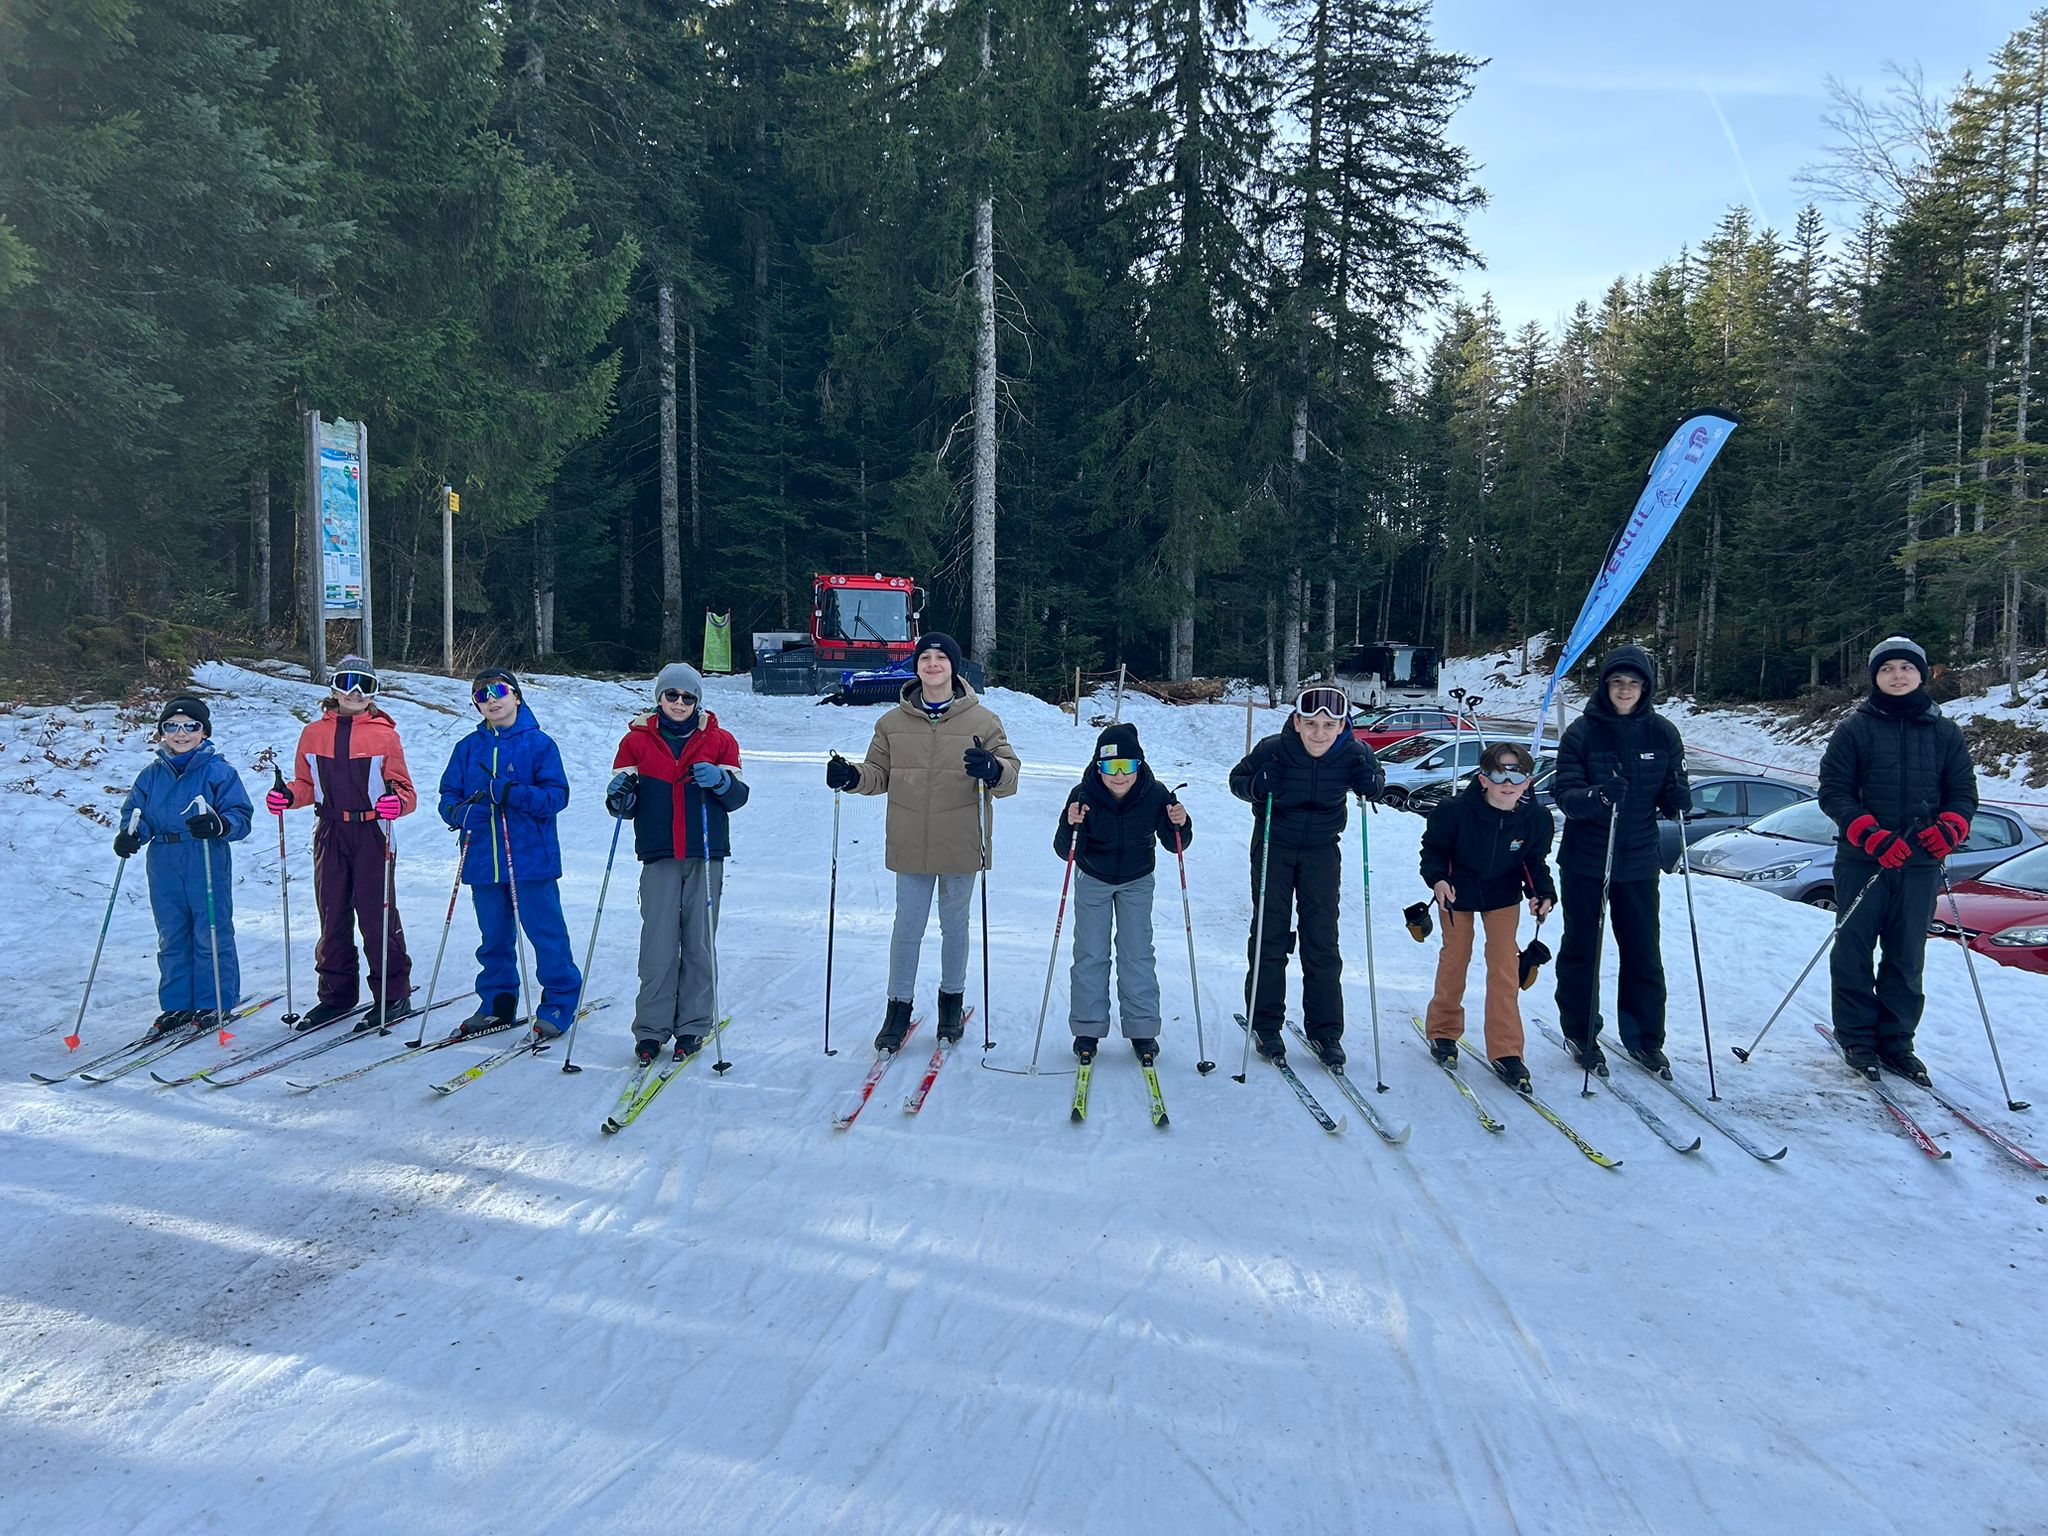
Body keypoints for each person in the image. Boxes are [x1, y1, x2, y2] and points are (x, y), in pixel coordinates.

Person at [825, 632, 1019, 1051]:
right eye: (925, 657)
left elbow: (1010, 775)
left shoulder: (983, 721)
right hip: (910, 840)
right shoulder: (891, 723)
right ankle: (898, 1009)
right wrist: (852, 776)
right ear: (916, 667)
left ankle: (951, 1002)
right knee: (907, 929)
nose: (932, 664)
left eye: (941, 658)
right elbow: (878, 774)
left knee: (955, 928)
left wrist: (993, 769)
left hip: (962, 841)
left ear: (954, 666)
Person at [1816, 636, 1978, 1085]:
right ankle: (1856, 1038)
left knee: (1907, 955)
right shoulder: (1855, 728)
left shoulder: (1945, 733)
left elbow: (1963, 794)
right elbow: (1833, 790)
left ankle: (1897, 1042)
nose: (1898, 675)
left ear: (1921, 675)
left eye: (1906, 668)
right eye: (1887, 669)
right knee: (1854, 950)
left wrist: (1951, 827)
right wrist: (1869, 833)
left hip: (1920, 864)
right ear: (1876, 677)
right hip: (1864, 861)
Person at [1227, 685, 1385, 1065]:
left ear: (1342, 726)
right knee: (1270, 932)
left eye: (1329, 725)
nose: (1319, 733)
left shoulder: (1355, 752)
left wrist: (1371, 785)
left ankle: (1326, 1031)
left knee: (1322, 938)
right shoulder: (1273, 749)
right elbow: (1237, 781)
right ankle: (1266, 1024)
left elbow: (1377, 781)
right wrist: (1256, 785)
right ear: (1297, 722)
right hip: (1274, 845)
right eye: (1311, 723)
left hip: (1321, 851)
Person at [1551, 645, 1688, 1077]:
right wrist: (1596, 796)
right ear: (1605, 686)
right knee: (1583, 949)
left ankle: (1646, 1039)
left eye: (1632, 683)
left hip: (1640, 860)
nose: (1624, 690)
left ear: (1645, 688)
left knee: (1643, 952)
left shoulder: (1662, 733)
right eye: (1616, 682)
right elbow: (1565, 795)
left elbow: (1671, 791)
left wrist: (1678, 798)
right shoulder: (1582, 733)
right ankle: (1581, 1032)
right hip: (1586, 860)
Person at [607, 662, 749, 1064]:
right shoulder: (635, 742)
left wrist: (721, 781)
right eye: (672, 695)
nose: (680, 703)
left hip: (705, 853)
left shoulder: (720, 741)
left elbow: (737, 797)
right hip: (659, 854)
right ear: (660, 697)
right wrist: (620, 795)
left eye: (688, 697)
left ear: (697, 701)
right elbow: (622, 806)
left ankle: (693, 1024)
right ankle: (651, 1029)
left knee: (699, 944)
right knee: (658, 946)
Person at [266, 656, 415, 1031]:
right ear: (333, 689)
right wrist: (288, 796)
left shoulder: (384, 735)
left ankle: (393, 994)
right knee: (332, 913)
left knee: (376, 914)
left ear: (374, 694)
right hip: (330, 830)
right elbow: (306, 784)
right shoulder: (313, 734)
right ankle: (336, 995)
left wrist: (396, 803)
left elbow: (405, 791)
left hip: (372, 832)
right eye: (347, 682)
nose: (356, 692)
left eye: (366, 685)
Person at [436, 669, 582, 1037]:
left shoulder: (539, 744)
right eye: (481, 696)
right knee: (494, 939)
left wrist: (514, 793)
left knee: (546, 935)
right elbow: (448, 797)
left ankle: (559, 1002)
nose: (491, 700)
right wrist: (460, 813)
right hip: (483, 859)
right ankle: (497, 1003)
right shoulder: (468, 748)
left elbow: (556, 797)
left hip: (530, 860)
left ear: (516, 696)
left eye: (499, 691)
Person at [1418, 741, 1556, 1091]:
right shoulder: (1454, 811)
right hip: (1458, 892)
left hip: (1502, 895)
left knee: (1504, 967)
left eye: (1517, 776)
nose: (1507, 784)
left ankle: (1507, 1050)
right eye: (1498, 775)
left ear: (1528, 782)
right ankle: (1443, 1031)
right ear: (1483, 779)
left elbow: (1534, 862)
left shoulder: (1536, 819)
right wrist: (1438, 879)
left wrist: (1542, 893)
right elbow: (1433, 851)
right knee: (1456, 957)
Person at [1053, 723, 1192, 1064]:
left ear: (1139, 765)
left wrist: (1180, 822)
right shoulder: (1083, 795)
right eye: (1110, 766)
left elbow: (1176, 844)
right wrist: (1070, 823)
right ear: (1097, 766)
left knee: (1137, 953)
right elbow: (1064, 850)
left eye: (1127, 766)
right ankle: (1087, 1028)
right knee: (1090, 952)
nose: (1119, 776)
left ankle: (1142, 1028)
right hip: (1094, 878)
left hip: (1136, 880)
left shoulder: (1155, 793)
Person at [117, 695, 254, 1031]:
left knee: (210, 929)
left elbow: (240, 815)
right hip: (163, 857)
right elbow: (136, 813)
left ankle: (214, 1000)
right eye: (172, 726)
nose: (181, 733)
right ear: (162, 732)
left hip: (203, 852)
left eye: (190, 726)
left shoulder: (219, 772)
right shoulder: (151, 775)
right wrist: (131, 834)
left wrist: (220, 824)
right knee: (172, 932)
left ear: (203, 732)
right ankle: (177, 1004)